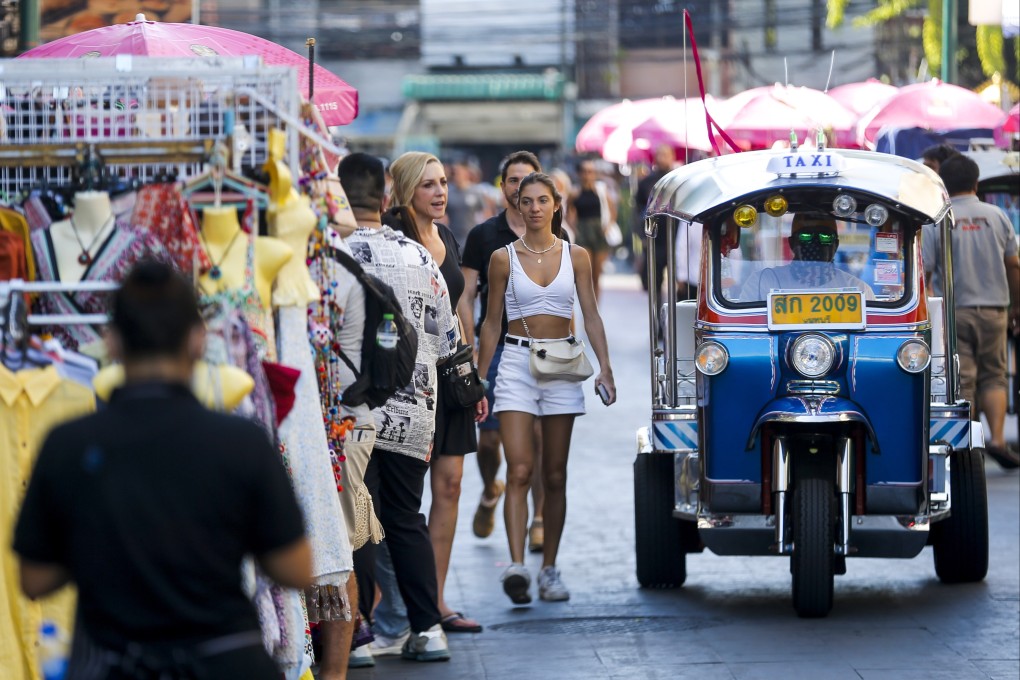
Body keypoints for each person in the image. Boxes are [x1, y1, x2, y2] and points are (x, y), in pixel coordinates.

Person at [13, 260, 312, 679]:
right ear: (196, 341)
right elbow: (295, 569)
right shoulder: (241, 442)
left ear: (113, 342)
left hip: (116, 665)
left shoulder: (70, 444)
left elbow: (35, 578)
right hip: (226, 662)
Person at [339, 152, 480, 664]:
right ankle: (427, 629)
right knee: (404, 518)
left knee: (357, 519)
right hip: (415, 411)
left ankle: (358, 635)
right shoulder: (420, 257)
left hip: (352, 411)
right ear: (385, 198)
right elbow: (448, 339)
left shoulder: (332, 254)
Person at [478, 172, 617, 604]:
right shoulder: (502, 258)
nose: (535, 208)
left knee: (554, 474)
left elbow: (590, 314)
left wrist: (605, 368)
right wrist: (481, 381)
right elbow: (491, 322)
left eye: (543, 200)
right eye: (527, 201)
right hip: (517, 361)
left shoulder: (576, 256)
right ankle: (517, 566)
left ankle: (550, 569)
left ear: (557, 205)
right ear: (517, 206)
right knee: (519, 469)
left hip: (561, 362)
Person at [383, 151, 487, 635]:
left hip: (450, 377)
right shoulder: (389, 236)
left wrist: (471, 378)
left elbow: (459, 310)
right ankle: (399, 605)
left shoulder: (445, 235)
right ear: (406, 191)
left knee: (449, 487)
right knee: (403, 497)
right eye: (428, 185)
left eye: (443, 182)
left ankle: (437, 601)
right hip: (406, 383)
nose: (440, 192)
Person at [459, 151, 547, 553]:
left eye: (527, 180)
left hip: (542, 348)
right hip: (494, 349)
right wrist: (469, 342)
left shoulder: (553, 232)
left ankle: (540, 517)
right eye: (513, 180)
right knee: (490, 442)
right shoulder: (483, 236)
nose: (520, 187)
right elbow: (465, 295)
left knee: (539, 438)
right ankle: (491, 490)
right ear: (503, 186)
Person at [924, 154, 1020, 469]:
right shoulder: (997, 216)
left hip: (955, 313)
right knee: (994, 375)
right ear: (976, 183)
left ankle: (966, 445)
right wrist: (1016, 305)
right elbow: (1014, 264)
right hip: (994, 310)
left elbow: (925, 272)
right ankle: (996, 439)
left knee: (962, 377)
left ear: (944, 185)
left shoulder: (939, 218)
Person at [739, 214, 876, 301]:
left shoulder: (858, 289)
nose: (814, 243)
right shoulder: (762, 283)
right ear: (792, 243)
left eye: (825, 237)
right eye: (805, 237)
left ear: (836, 244)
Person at [569, 158, 616, 300]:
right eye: (584, 171)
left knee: (597, 274)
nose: (587, 174)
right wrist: (574, 228)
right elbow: (567, 212)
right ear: (579, 173)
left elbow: (612, 210)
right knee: (585, 273)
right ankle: (586, 308)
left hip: (599, 231)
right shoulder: (575, 192)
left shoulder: (601, 190)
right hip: (583, 232)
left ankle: (595, 309)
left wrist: (608, 226)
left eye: (590, 171)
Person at [635, 145, 678, 295]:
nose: (662, 158)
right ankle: (657, 314)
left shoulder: (678, 180)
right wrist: (642, 236)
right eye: (659, 154)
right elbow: (638, 210)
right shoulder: (646, 182)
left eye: (665, 154)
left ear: (672, 156)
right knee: (654, 282)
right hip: (654, 237)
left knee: (678, 280)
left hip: (676, 237)